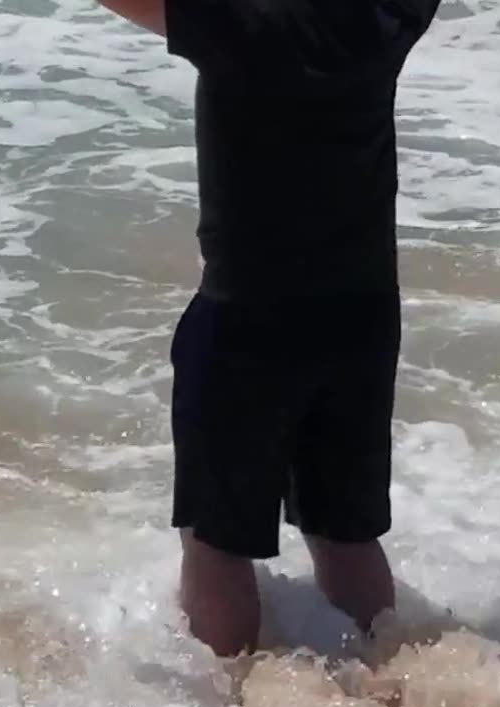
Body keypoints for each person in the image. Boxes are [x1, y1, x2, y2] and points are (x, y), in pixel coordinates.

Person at [93, 0, 443, 657]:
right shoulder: (383, 15)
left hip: (249, 318)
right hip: (363, 313)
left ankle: (231, 694)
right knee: (346, 534)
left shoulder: (242, 22)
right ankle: (387, 676)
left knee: (217, 544)